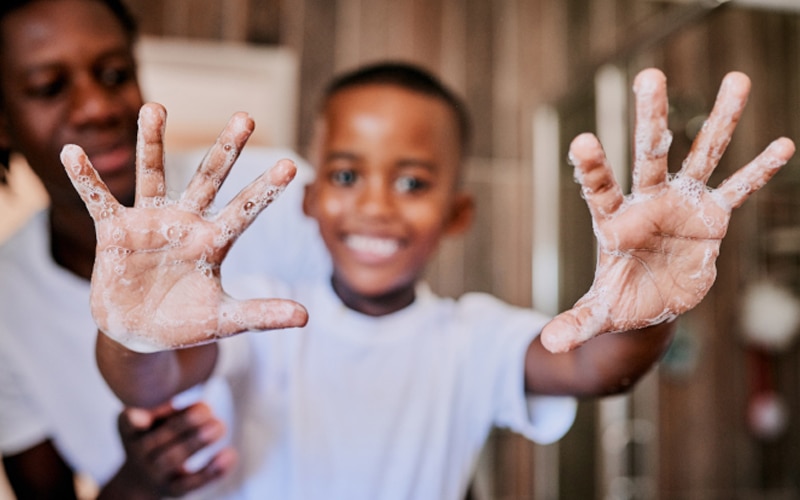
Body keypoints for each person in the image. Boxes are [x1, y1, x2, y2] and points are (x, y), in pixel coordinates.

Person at [62, 60, 795, 499]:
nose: (377, 205)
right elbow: (149, 385)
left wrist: (649, 312)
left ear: (457, 213)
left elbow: (600, 368)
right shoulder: (262, 317)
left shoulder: (470, 339)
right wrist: (132, 333)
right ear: (313, 201)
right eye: (347, 174)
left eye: (412, 182)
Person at [0, 0, 327, 497]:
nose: (97, 107)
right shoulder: (8, 306)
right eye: (49, 87)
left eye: (113, 74)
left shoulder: (270, 194)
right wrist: (136, 483)